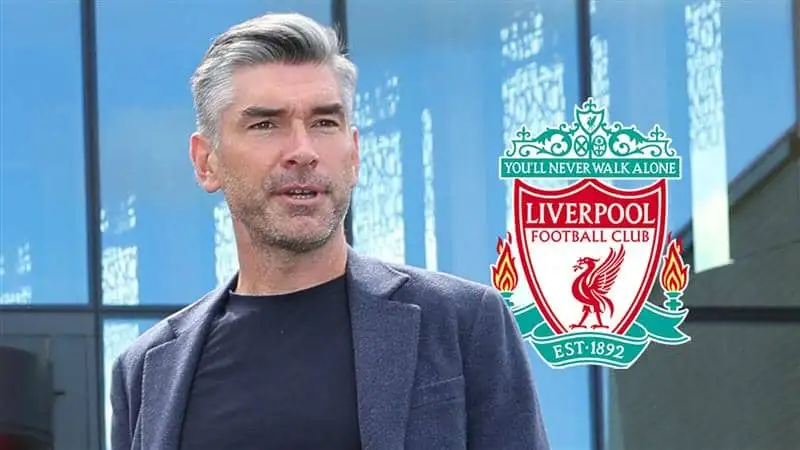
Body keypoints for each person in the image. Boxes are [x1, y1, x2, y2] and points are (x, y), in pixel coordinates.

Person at [109, 11, 549, 450]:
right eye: (265, 124)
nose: (303, 151)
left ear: (354, 153)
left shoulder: (462, 324)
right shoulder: (147, 370)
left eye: (324, 122)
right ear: (207, 162)